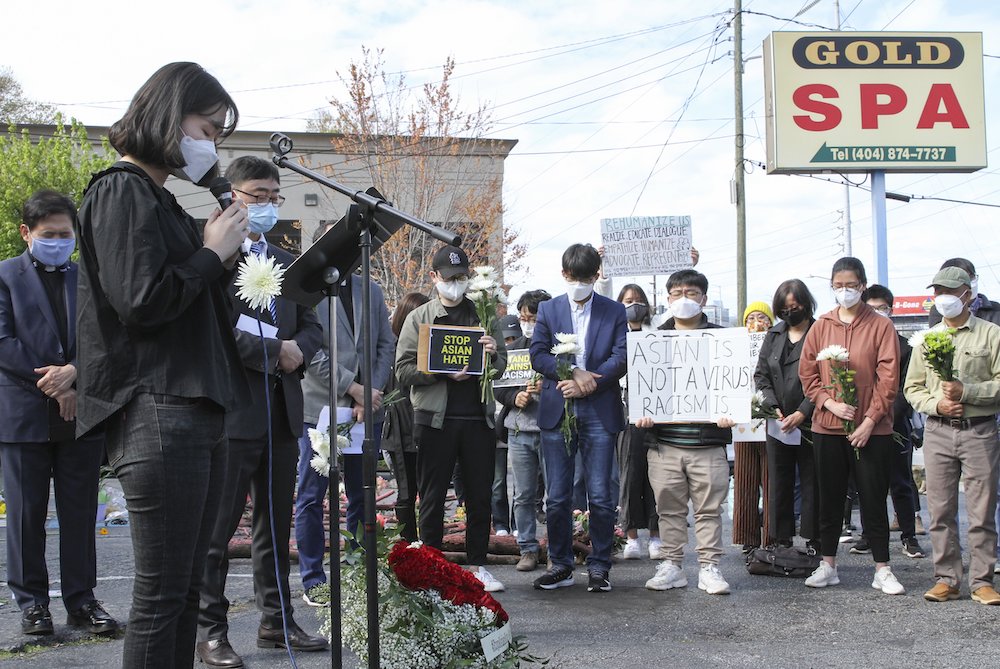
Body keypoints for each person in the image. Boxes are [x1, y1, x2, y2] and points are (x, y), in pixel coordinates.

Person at [76, 62, 251, 668]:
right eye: (207, 128)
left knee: (181, 594)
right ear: (169, 117)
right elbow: (141, 301)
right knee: (160, 595)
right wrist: (210, 254)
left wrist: (224, 259)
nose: (212, 146)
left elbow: (195, 302)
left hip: (196, 406)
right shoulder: (120, 190)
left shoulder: (166, 202)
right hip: (158, 407)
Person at [196, 156, 325, 667]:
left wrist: (298, 349)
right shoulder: (213, 255)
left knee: (275, 527)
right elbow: (216, 333)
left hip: (281, 411)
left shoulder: (286, 259)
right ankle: (211, 629)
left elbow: (311, 323)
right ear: (231, 196)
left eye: (274, 195)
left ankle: (277, 621)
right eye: (257, 195)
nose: (268, 204)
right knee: (219, 530)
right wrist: (275, 353)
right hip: (232, 410)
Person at [0, 191, 119, 637]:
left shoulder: (88, 277)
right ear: (26, 233)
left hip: (80, 412)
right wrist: (56, 383)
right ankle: (32, 603)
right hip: (24, 414)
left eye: (65, 235)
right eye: (48, 235)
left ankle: (82, 600)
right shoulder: (5, 276)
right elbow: (4, 342)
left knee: (80, 512)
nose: (57, 242)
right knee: (26, 514)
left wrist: (75, 374)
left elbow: (106, 337)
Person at [295, 218, 396, 610]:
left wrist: (370, 392)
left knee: (361, 494)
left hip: (362, 412)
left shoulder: (370, 290)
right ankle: (314, 578)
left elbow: (385, 345)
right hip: (318, 409)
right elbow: (310, 350)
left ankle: (356, 570)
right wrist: (350, 388)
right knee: (311, 496)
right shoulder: (309, 292)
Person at [395, 245, 508, 592]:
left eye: (462, 278)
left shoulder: (485, 315)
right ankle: (432, 564)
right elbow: (402, 370)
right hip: (434, 420)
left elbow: (502, 365)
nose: (455, 285)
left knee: (478, 496)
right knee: (431, 496)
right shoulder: (420, 318)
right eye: (449, 278)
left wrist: (491, 357)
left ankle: (477, 565)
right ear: (434, 278)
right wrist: (441, 372)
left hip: (478, 419)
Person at [798, 257, 904, 595]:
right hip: (827, 427)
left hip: (873, 430)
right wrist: (828, 403)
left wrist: (870, 420)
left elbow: (888, 379)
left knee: (873, 496)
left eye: (852, 285)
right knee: (829, 497)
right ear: (832, 286)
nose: (845, 291)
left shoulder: (880, 325)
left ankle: (883, 568)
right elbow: (807, 374)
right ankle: (828, 563)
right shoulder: (821, 326)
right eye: (839, 285)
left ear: (863, 285)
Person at [530, 243, 627, 593]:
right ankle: (561, 564)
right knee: (557, 495)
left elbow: (621, 357)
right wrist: (571, 372)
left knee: (600, 494)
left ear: (596, 276)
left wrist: (589, 383)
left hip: (599, 408)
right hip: (559, 408)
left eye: (585, 278)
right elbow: (537, 354)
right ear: (563, 275)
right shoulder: (548, 309)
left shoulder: (614, 311)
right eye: (572, 277)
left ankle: (600, 565)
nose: (578, 283)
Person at [905, 267, 1000, 605]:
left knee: (981, 510)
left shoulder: (991, 334)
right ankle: (947, 578)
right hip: (939, 432)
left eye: (950, 290)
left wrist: (966, 392)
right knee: (940, 509)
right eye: (938, 291)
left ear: (967, 294)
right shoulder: (928, 339)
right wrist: (937, 405)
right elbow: (912, 388)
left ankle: (982, 581)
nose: (943, 297)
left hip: (980, 431)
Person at [637, 269, 735, 595]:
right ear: (667, 299)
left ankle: (710, 567)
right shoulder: (650, 343)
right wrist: (642, 413)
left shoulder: (723, 341)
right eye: (677, 293)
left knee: (709, 510)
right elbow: (640, 389)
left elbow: (733, 387)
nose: (683, 299)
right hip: (664, 444)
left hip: (708, 443)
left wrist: (730, 412)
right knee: (668, 510)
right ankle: (672, 564)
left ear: (704, 298)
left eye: (691, 293)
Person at [754, 280, 819, 553]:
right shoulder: (774, 334)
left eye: (795, 307)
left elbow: (828, 379)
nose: (790, 312)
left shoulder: (820, 331)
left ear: (805, 304)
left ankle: (815, 538)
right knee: (778, 480)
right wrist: (772, 406)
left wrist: (803, 411)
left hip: (813, 420)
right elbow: (761, 375)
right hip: (778, 420)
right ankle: (780, 537)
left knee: (813, 481)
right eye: (784, 308)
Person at [863, 284, 926, 560]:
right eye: (872, 308)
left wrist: (886, 414)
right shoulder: (859, 343)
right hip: (863, 424)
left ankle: (909, 536)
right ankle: (869, 535)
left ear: (891, 309)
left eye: (883, 308)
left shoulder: (904, 347)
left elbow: (906, 388)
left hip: (894, 423)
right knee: (867, 482)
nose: (878, 313)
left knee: (900, 481)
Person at [495, 290, 551, 571]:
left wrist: (549, 387)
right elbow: (498, 385)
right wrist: (513, 397)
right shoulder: (513, 348)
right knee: (523, 494)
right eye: (524, 317)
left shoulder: (559, 348)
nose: (527, 322)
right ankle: (528, 548)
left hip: (551, 429)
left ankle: (555, 548)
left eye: (533, 318)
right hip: (518, 429)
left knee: (555, 494)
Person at [613, 283, 661, 560]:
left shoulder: (658, 334)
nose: (634, 304)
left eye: (639, 299)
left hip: (656, 418)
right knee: (629, 478)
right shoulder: (615, 336)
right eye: (628, 300)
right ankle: (631, 536)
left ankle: (656, 535)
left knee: (656, 480)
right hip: (626, 417)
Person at [383, 292, 431, 543]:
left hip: (424, 426)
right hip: (399, 429)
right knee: (405, 492)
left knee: (427, 492)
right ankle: (408, 546)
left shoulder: (428, 346)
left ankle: (426, 546)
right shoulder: (391, 348)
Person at [732, 301, 774, 553]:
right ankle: (748, 538)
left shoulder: (777, 346)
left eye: (762, 318)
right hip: (743, 421)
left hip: (772, 419)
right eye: (750, 318)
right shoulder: (735, 347)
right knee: (745, 480)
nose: (756, 323)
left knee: (772, 480)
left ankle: (772, 536)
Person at [491, 314, 521, 536]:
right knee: (498, 481)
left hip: (519, 424)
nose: (510, 344)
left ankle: (519, 523)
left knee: (522, 481)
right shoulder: (492, 359)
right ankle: (501, 524)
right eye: (506, 340)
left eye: (514, 339)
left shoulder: (527, 356)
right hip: (495, 426)